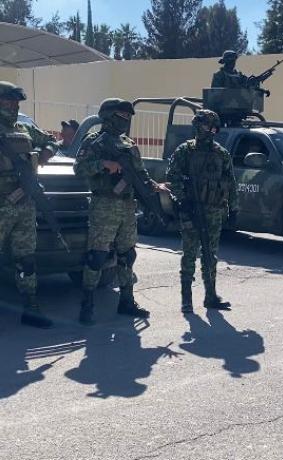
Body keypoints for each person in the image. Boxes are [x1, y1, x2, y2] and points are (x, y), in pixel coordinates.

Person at [74, 98, 162, 325]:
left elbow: (140, 173)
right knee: (97, 257)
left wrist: (154, 186)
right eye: (120, 116)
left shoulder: (129, 144)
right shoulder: (94, 141)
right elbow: (79, 168)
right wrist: (104, 164)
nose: (125, 121)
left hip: (126, 206)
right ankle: (87, 305)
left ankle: (127, 302)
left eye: (128, 117)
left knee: (128, 254)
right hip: (104, 204)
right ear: (107, 116)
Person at [166, 109, 239, 313]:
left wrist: (233, 209)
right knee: (189, 253)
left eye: (210, 127)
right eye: (204, 126)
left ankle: (210, 295)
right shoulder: (184, 151)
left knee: (210, 254)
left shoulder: (221, 154)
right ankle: (186, 299)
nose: (207, 130)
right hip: (191, 209)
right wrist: (183, 201)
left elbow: (230, 183)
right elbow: (173, 177)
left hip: (214, 211)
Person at [0, 81, 57, 328]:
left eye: (16, 102)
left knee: (26, 259)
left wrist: (45, 152)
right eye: (8, 101)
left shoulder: (24, 128)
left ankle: (31, 307)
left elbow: (52, 141)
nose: (13, 106)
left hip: (25, 204)